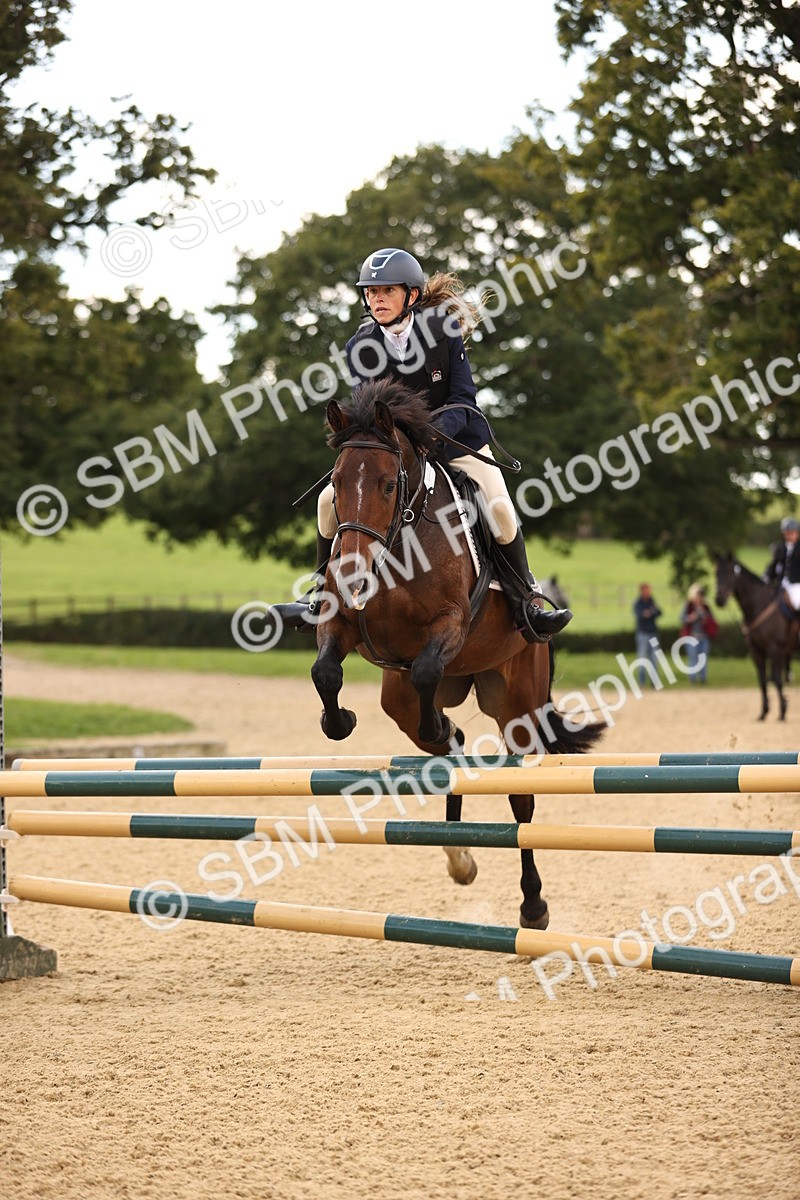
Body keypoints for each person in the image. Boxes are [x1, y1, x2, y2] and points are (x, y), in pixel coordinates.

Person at [278, 247, 572, 643]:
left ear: (411, 295)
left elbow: (464, 399)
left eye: (387, 291)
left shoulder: (442, 331)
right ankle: (319, 595)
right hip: (395, 453)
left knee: (499, 506)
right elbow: (367, 411)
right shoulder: (360, 346)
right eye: (371, 292)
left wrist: (430, 434)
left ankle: (526, 601)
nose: (377, 299)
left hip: (456, 443)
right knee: (327, 501)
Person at [679, 583, 717, 684]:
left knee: (703, 659)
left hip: (704, 637)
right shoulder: (689, 606)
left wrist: (706, 620)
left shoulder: (706, 607)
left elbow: (712, 620)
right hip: (692, 637)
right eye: (697, 595)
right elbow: (682, 618)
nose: (699, 597)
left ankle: (703, 679)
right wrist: (691, 617)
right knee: (693, 658)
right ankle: (693, 679)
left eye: (700, 595)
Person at [764, 516, 800, 612]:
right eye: (787, 534)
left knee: (796, 603)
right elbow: (773, 566)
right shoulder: (780, 548)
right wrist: (766, 576)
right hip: (780, 584)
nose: (789, 536)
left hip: (796, 585)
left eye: (792, 533)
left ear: (797, 533)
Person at [632, 583, 662, 687]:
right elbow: (640, 616)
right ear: (642, 591)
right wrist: (650, 613)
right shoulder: (638, 603)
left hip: (653, 633)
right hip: (643, 634)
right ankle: (642, 682)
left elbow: (659, 612)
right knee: (642, 657)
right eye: (646, 590)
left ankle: (654, 682)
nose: (648, 592)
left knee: (654, 658)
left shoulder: (652, 601)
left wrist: (649, 613)